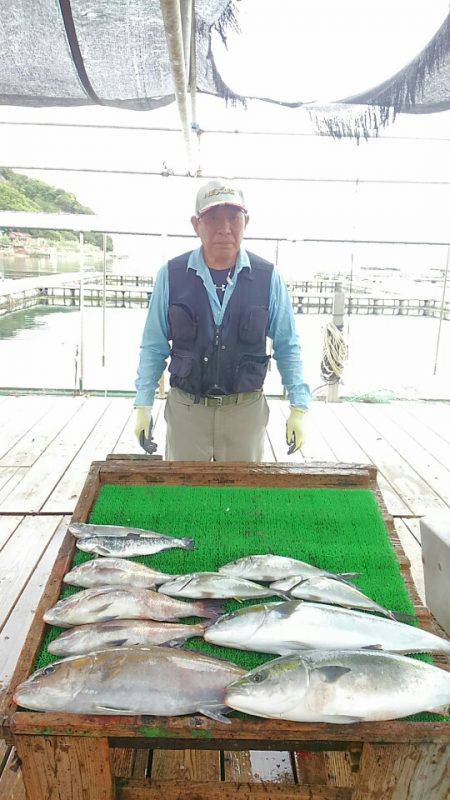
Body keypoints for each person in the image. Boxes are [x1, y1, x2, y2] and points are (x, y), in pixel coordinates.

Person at [134, 179, 310, 461]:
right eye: (213, 218)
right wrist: (143, 405)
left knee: (243, 489)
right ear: (196, 224)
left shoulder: (268, 277)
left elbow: (288, 345)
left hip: (245, 412)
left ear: (246, 222)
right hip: (187, 411)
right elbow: (154, 346)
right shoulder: (170, 275)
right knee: (184, 488)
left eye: (233, 218)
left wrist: (299, 408)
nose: (224, 228)